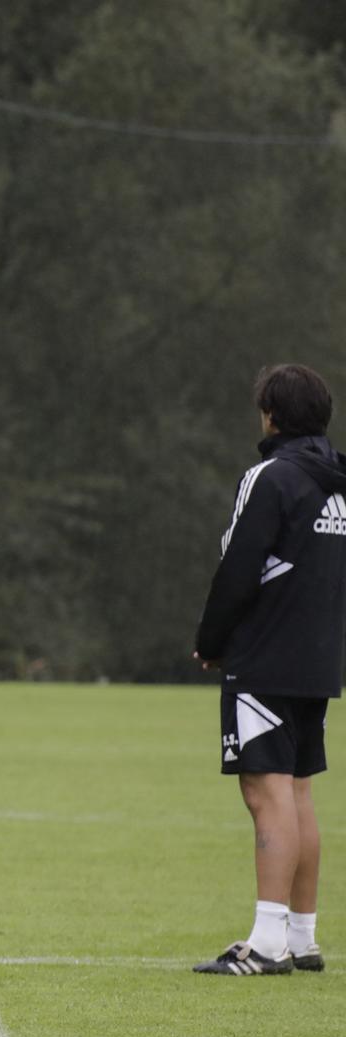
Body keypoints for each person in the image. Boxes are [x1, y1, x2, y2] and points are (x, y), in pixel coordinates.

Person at [192, 363, 345, 976]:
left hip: (266, 654)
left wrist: (212, 639)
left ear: (270, 415)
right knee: (298, 791)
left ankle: (266, 942)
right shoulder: (338, 484)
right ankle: (302, 938)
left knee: (267, 791)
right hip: (318, 657)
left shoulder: (271, 476)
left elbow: (239, 567)